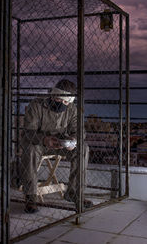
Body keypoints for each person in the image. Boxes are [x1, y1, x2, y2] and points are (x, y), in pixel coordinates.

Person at [20, 79, 93, 213]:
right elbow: (28, 132)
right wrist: (44, 139)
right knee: (30, 149)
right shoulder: (36, 105)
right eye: (60, 100)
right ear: (53, 96)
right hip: (39, 141)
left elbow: (79, 130)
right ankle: (31, 197)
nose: (63, 104)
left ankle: (74, 193)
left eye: (66, 102)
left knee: (83, 149)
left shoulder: (71, 109)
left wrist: (73, 141)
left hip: (60, 142)